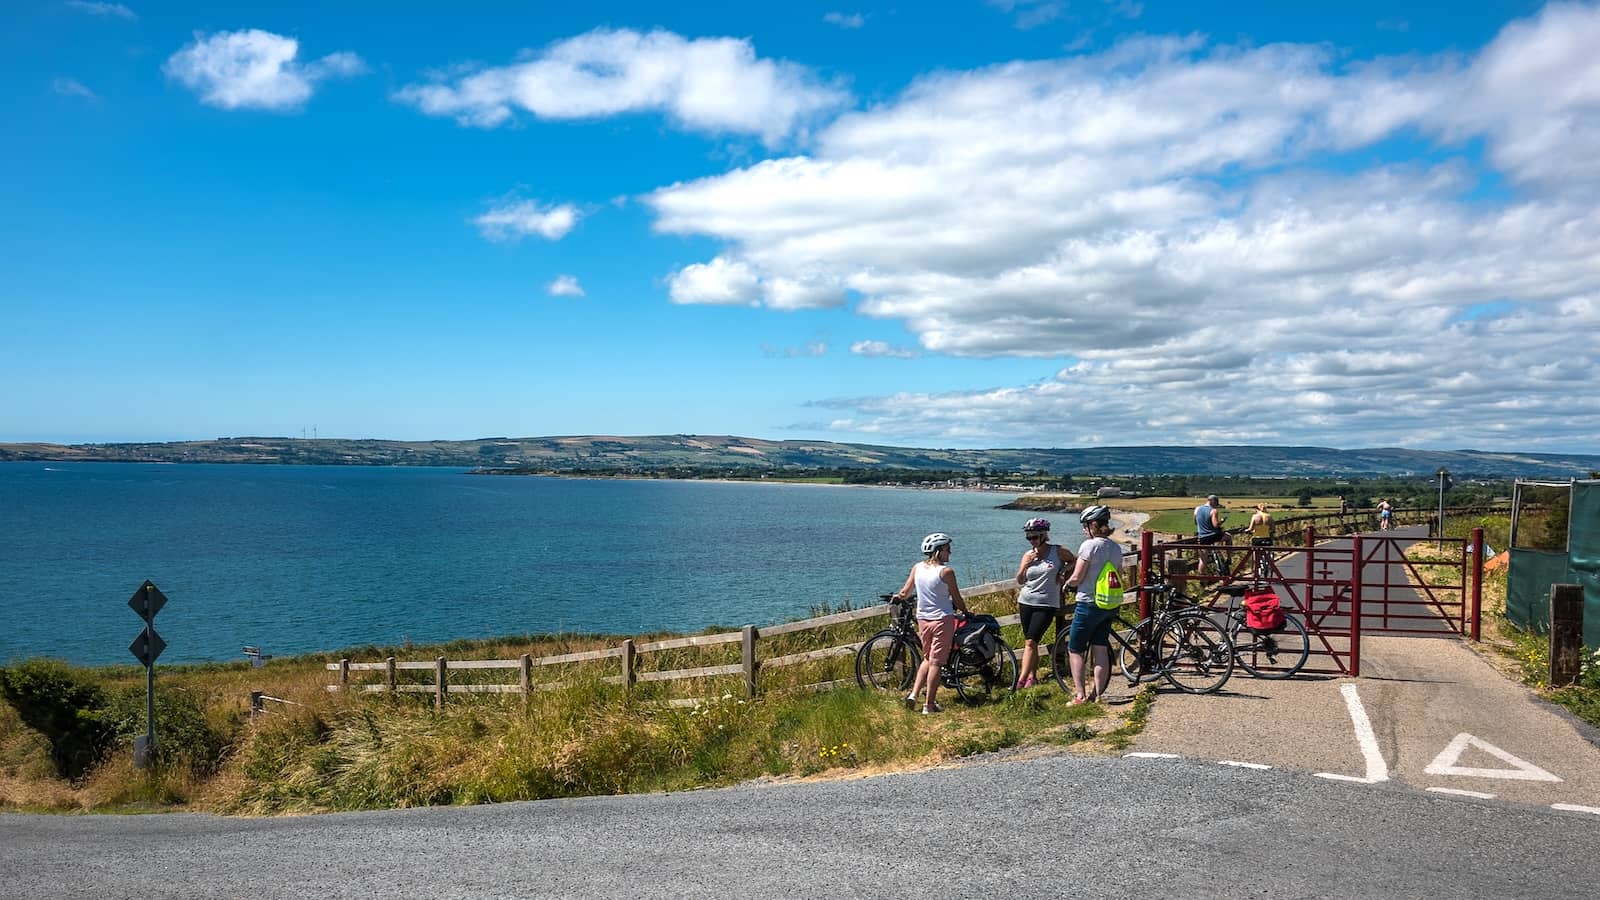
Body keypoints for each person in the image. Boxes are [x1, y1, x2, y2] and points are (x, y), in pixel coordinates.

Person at [893, 532, 969, 714]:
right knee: (936, 663)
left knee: (928, 658)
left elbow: (905, 592)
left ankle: (913, 694)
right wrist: (966, 612)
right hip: (942, 620)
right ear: (939, 551)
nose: (950, 553)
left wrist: (896, 597)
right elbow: (957, 598)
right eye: (947, 549)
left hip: (923, 620)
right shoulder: (946, 572)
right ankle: (929, 705)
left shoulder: (918, 567)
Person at [1063, 505, 1123, 705]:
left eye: (1085, 525)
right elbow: (1119, 574)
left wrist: (1066, 583)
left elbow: (1077, 576)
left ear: (1093, 525)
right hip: (1108, 604)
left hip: (1088, 603)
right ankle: (1098, 696)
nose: (1083, 530)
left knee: (1075, 649)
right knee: (1100, 648)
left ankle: (1079, 695)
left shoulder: (1089, 546)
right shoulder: (1115, 547)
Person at [1013, 517, 1075, 689]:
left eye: (1034, 537)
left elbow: (1075, 560)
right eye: (1028, 538)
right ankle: (1032, 677)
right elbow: (1019, 580)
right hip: (1026, 601)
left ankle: (1020, 681)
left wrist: (1063, 571)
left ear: (1043, 535)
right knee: (1030, 642)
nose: (1031, 541)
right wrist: (1025, 565)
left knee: (1031, 642)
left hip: (1047, 603)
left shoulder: (1058, 551)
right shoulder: (1028, 555)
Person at [1194, 494, 1228, 573]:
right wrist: (1222, 521)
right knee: (1228, 537)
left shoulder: (1197, 509)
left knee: (1203, 560)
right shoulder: (1213, 510)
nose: (1216, 506)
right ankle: (1229, 557)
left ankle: (1201, 578)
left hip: (1202, 537)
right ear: (1213, 501)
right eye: (1216, 504)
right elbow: (1215, 525)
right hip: (1213, 536)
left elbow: (1196, 522)